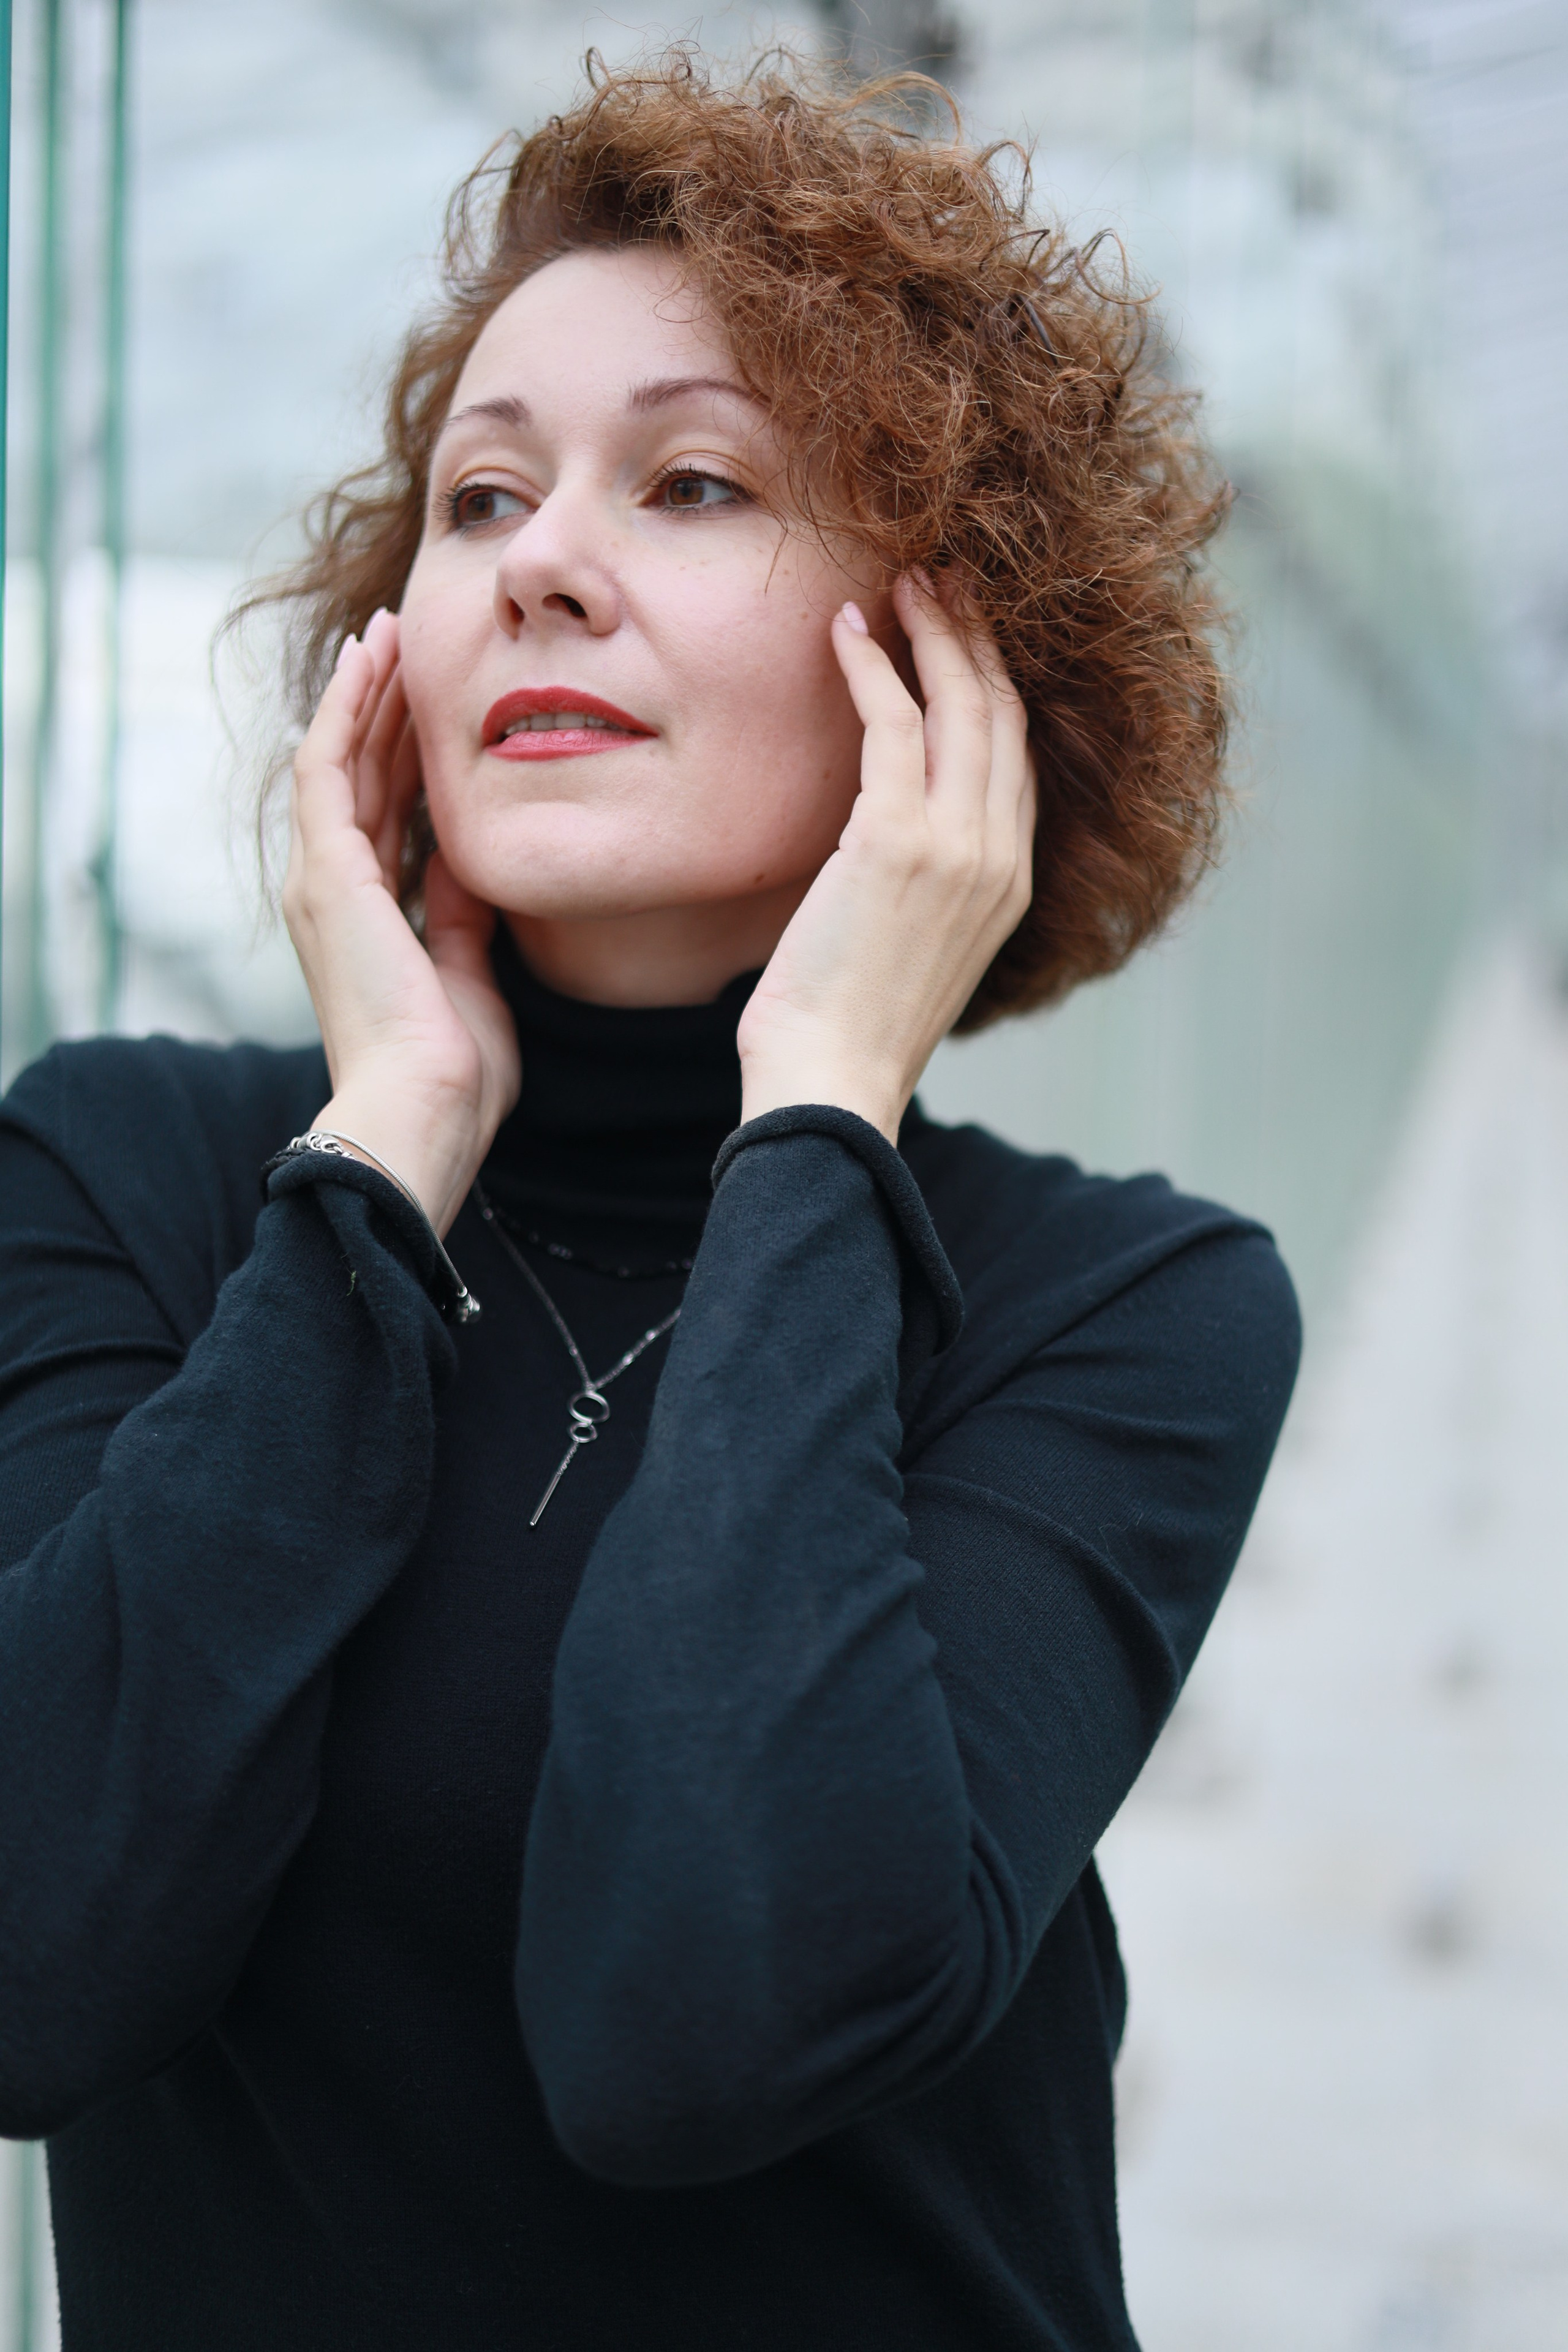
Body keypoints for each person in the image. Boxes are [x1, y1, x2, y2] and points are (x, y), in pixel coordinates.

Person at [0, 53, 1299, 2352]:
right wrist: (383, 1153)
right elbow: (34, 1964)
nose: (542, 564)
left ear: (955, 663)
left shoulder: (1122, 1306)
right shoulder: (131, 1176)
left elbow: (706, 2023)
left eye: (692, 482)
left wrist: (818, 1119)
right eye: (482, 498)